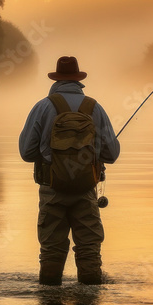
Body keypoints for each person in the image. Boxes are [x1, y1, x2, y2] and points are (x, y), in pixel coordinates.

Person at [19, 56, 120, 285]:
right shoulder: (95, 108)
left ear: (56, 79)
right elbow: (112, 154)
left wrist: (50, 156)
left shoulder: (42, 107)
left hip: (51, 188)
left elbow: (26, 152)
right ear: (78, 80)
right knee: (89, 250)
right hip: (85, 189)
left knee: (51, 251)